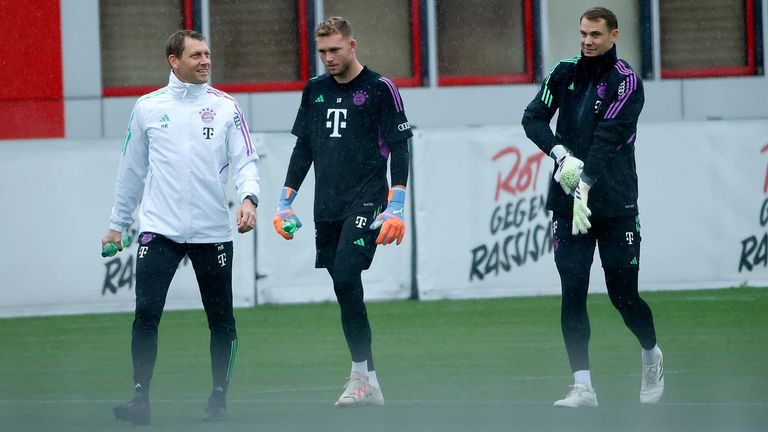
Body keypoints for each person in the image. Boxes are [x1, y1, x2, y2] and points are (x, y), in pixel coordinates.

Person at [101, 30, 260, 424]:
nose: (206, 61)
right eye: (196, 55)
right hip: (160, 230)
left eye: (207, 54)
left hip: (213, 232)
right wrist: (117, 225)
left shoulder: (226, 107)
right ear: (174, 61)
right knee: (146, 314)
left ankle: (218, 400)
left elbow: (245, 161)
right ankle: (140, 401)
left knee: (221, 319)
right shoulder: (147, 108)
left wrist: (248, 199)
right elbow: (131, 171)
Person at [522, 7, 663, 407]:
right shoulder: (564, 72)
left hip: (616, 203)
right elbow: (532, 119)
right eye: (583, 33)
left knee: (624, 296)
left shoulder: (626, 83)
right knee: (573, 290)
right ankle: (583, 386)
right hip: (568, 205)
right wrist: (561, 155)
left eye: (596, 35)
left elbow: (609, 138)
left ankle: (651, 352)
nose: (587, 41)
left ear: (614, 35)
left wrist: (585, 181)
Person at [272, 16, 412, 407]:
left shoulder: (380, 88)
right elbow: (304, 149)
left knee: (348, 273)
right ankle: (371, 380)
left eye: (335, 49)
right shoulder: (314, 89)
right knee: (345, 288)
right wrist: (285, 201)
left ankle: (357, 376)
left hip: (368, 199)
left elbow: (400, 147)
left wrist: (396, 205)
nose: (328, 58)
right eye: (322, 52)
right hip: (327, 207)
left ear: (353, 45)